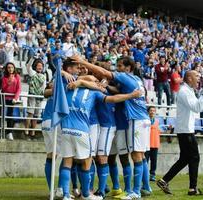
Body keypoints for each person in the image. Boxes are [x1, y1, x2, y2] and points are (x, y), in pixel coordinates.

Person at [59, 58, 142, 200]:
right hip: (88, 125)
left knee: (100, 158)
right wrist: (70, 76)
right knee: (89, 159)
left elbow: (110, 95)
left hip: (104, 125)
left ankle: (102, 190)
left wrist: (79, 80)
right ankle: (85, 190)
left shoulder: (99, 88)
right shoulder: (85, 87)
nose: (85, 72)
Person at [157, 70, 203, 196]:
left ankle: (164, 180)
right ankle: (192, 189)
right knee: (194, 157)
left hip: (185, 130)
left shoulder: (189, 91)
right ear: (189, 78)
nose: (199, 78)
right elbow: (197, 108)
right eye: (197, 76)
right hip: (185, 130)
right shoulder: (184, 91)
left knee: (184, 159)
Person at [25, 57, 46, 139]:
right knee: (30, 113)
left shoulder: (44, 76)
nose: (40, 67)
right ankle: (26, 129)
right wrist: (32, 58)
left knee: (36, 115)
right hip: (32, 96)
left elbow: (44, 87)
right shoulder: (32, 73)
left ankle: (33, 130)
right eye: (38, 65)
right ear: (35, 66)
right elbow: (28, 66)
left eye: (41, 66)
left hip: (39, 97)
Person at [1, 62, 21, 141]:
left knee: (10, 115)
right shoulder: (4, 77)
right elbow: (3, 89)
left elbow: (19, 89)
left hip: (12, 99)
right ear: (6, 69)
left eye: (12, 67)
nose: (10, 69)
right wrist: (8, 83)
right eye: (9, 67)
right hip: (4, 98)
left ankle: (9, 133)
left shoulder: (17, 76)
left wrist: (15, 98)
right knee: (1, 115)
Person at [145, 106, 160, 182]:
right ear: (148, 111)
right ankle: (144, 175)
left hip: (155, 144)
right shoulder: (145, 120)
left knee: (154, 160)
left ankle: (152, 175)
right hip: (146, 144)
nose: (152, 112)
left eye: (154, 110)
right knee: (145, 161)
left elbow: (160, 131)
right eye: (151, 110)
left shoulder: (157, 121)